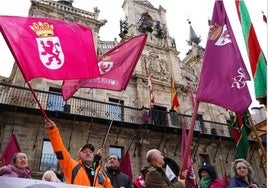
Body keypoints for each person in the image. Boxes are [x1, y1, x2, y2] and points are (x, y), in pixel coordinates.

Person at [44, 119, 113, 188]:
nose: (88, 153)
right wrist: (53, 131)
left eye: (91, 152)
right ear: (79, 156)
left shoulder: (102, 175)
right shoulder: (72, 167)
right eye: (84, 152)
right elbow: (60, 150)